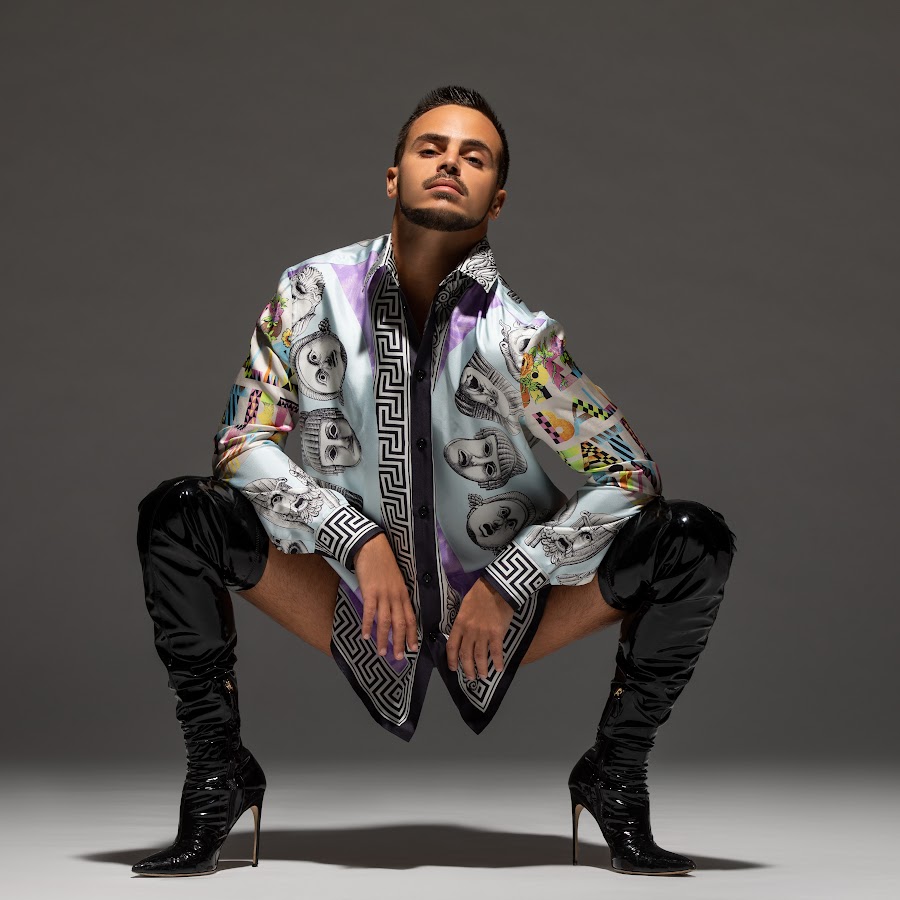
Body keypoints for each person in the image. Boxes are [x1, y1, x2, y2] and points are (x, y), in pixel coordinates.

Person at [133, 85, 737, 878]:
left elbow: (630, 474)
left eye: (473, 157)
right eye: (431, 148)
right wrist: (353, 538)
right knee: (179, 514)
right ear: (393, 176)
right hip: (345, 594)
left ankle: (616, 775)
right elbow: (242, 442)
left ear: (497, 198)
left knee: (692, 539)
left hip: (499, 615)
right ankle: (219, 773)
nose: (450, 163)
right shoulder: (309, 293)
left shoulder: (521, 340)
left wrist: (517, 574)